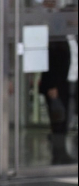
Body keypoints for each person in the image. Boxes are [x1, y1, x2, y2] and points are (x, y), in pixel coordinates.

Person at [40, 34, 78, 165]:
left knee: (68, 119)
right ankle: (58, 154)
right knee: (58, 121)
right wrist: (52, 86)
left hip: (72, 84)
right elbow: (51, 64)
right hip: (58, 86)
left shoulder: (75, 38)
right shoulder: (57, 39)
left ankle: (62, 152)